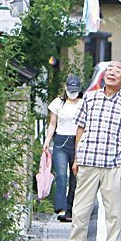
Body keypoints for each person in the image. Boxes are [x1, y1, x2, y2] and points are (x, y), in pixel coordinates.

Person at [65, 61, 121, 241]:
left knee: (115, 214)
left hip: (115, 164)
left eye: (117, 71)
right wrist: (76, 158)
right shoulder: (90, 98)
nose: (112, 73)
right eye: (109, 69)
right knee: (80, 211)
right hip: (88, 160)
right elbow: (80, 128)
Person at [43, 74, 83, 222]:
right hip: (60, 140)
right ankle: (60, 207)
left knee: (75, 177)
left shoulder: (83, 103)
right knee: (61, 175)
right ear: (65, 88)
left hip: (77, 141)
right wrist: (47, 140)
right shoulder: (58, 103)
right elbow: (52, 123)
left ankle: (71, 209)